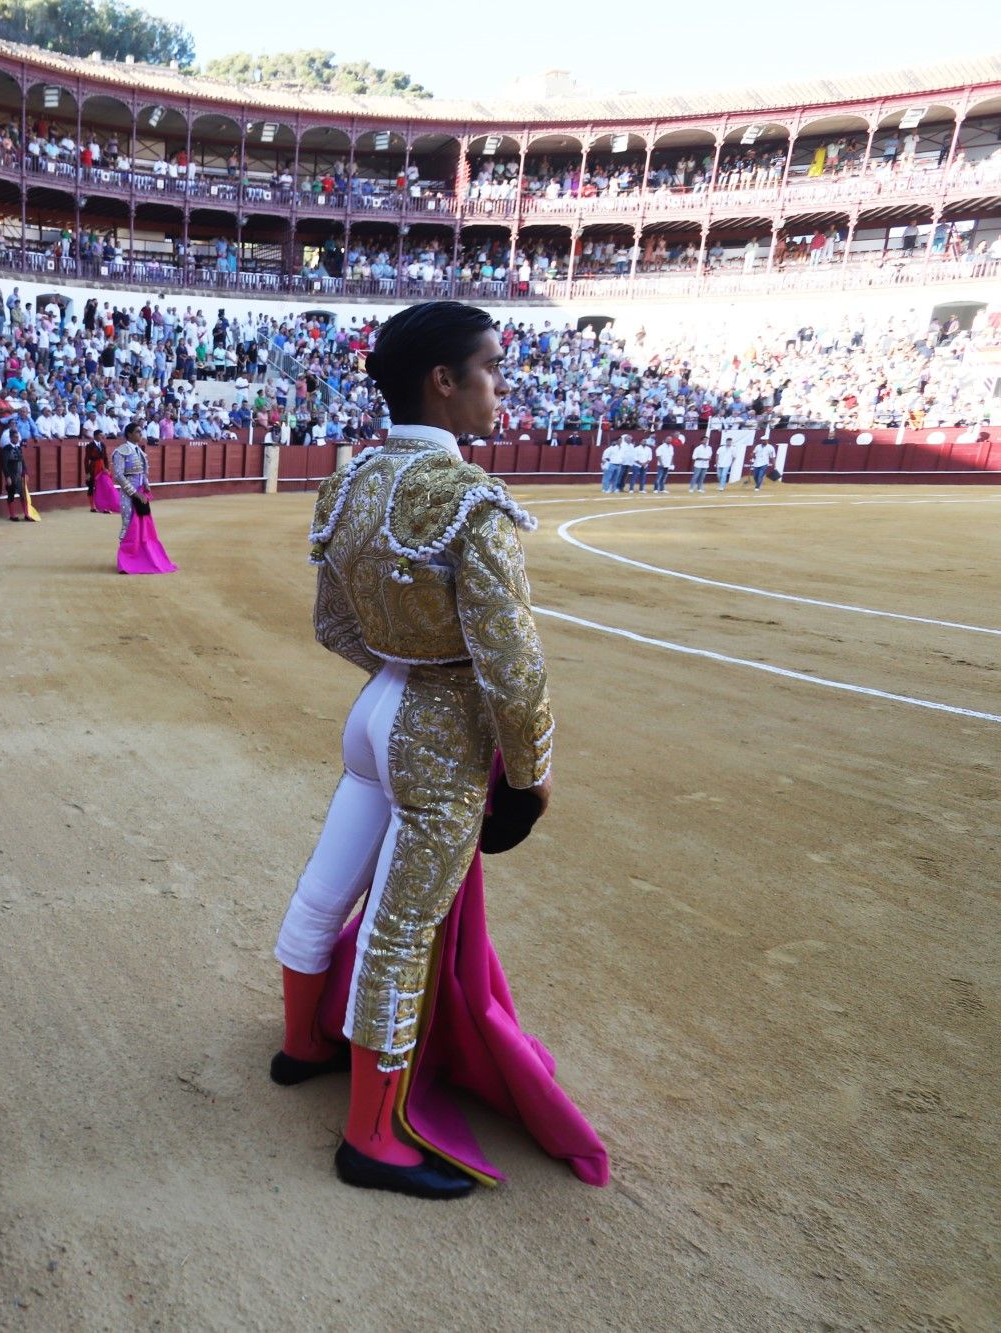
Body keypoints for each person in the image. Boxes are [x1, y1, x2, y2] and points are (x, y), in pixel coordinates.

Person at [276, 301, 566, 1200]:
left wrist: (397, 667)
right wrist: (530, 775)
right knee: (401, 929)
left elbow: (332, 623)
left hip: (373, 712)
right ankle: (372, 1136)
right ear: (443, 381)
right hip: (435, 731)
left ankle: (300, 1046)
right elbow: (513, 666)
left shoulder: (352, 481)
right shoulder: (470, 501)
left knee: (327, 886)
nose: (499, 388)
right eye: (489, 369)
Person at [109, 422, 149, 538]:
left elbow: (142, 472)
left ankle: (137, 554)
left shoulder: (139, 451)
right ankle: (124, 555)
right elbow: (118, 475)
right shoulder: (120, 451)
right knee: (128, 524)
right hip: (128, 494)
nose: (140, 434)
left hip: (140, 492)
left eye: (141, 431)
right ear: (129, 434)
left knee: (141, 525)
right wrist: (134, 493)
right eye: (137, 431)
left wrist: (146, 484)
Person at [0, 426, 29, 522]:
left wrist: (26, 472)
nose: (17, 439)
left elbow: (22, 461)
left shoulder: (18, 448)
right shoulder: (7, 448)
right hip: (12, 475)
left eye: (18, 437)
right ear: (11, 438)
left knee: (23, 495)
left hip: (19, 475)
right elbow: (4, 464)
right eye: (15, 437)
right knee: (11, 495)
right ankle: (12, 515)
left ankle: (26, 514)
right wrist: (7, 477)